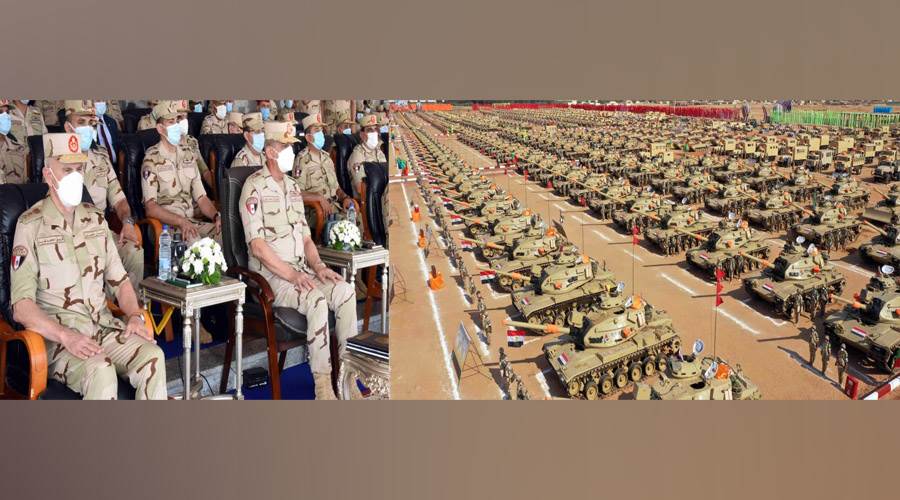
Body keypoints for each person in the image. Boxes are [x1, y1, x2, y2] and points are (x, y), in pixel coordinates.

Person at [10, 132, 166, 400]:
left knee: (153, 356)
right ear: (48, 175)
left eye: (79, 169)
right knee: (101, 370)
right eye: (66, 170)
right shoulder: (30, 225)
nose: (75, 177)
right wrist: (65, 336)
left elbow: (120, 282)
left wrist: (134, 315)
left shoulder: (95, 219)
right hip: (58, 339)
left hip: (102, 328)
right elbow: (21, 308)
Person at [238, 121, 358, 400]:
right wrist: (292, 276)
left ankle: (348, 378)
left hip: (302, 270)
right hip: (274, 277)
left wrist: (319, 266)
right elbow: (257, 247)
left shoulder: (293, 187)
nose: (290, 153)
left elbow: (305, 239)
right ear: (270, 152)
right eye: (285, 147)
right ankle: (323, 387)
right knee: (316, 300)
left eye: (292, 147)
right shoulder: (253, 187)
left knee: (345, 291)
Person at [63, 100, 144, 291]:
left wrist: (127, 223)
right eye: (81, 122)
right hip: (71, 237)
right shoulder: (57, 159)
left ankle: (130, 306)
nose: (87, 128)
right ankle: (105, 305)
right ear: (68, 127)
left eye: (91, 124)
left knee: (134, 251)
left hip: (102, 232)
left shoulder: (101, 156)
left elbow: (120, 200)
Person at [140, 100, 221, 244]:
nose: (177, 125)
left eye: (177, 120)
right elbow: (150, 208)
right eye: (171, 122)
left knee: (225, 236)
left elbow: (201, 198)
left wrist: (216, 216)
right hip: (166, 226)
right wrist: (180, 221)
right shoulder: (151, 159)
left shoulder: (188, 154)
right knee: (196, 244)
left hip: (190, 221)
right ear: (160, 128)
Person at [293, 114, 356, 235]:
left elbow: (336, 188)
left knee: (356, 218)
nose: (321, 134)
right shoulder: (301, 160)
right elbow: (297, 193)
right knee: (345, 229)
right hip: (316, 211)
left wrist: (345, 198)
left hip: (334, 207)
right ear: (309, 137)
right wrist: (318, 197)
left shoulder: (327, 158)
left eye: (321, 130)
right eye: (317, 130)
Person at [138, 100, 213, 186]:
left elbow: (204, 171)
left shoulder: (190, 141)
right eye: (179, 118)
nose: (183, 121)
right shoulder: (155, 142)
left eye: (185, 116)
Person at [347, 114, 387, 200]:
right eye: (369, 130)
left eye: (375, 129)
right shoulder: (357, 156)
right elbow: (360, 189)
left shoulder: (379, 151)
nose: (374, 133)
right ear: (362, 135)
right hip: (370, 200)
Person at [0, 100, 28, 184]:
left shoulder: (18, 147)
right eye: (0, 112)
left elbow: (24, 182)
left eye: (7, 112)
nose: (5, 116)